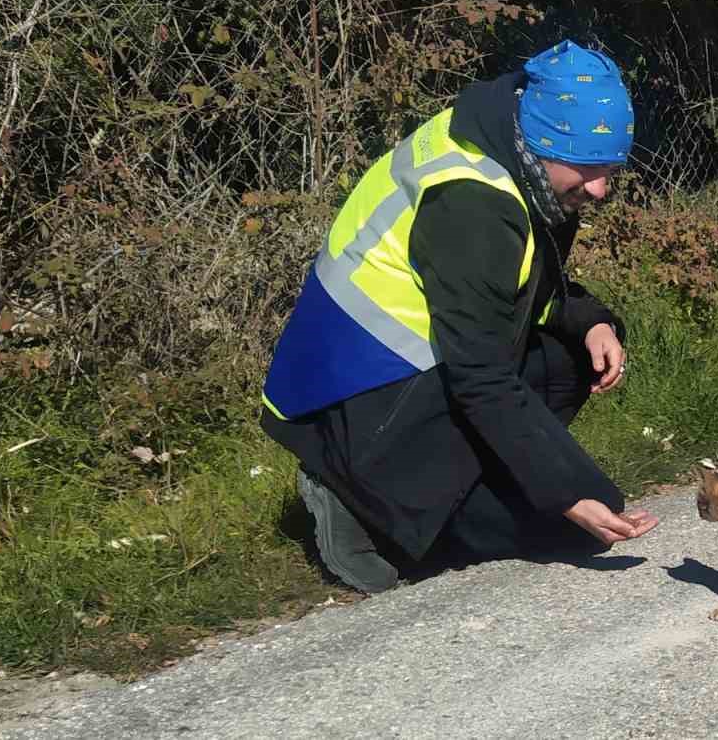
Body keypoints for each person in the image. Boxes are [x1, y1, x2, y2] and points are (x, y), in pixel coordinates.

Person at [259, 39, 661, 592]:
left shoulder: (515, 153)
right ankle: (351, 494)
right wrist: (567, 494)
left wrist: (592, 321)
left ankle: (450, 489)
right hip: (356, 396)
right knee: (573, 531)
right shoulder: (472, 203)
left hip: (419, 370)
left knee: (573, 360)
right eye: (588, 168)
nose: (600, 189)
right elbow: (481, 375)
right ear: (543, 141)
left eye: (610, 169)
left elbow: (522, 290)